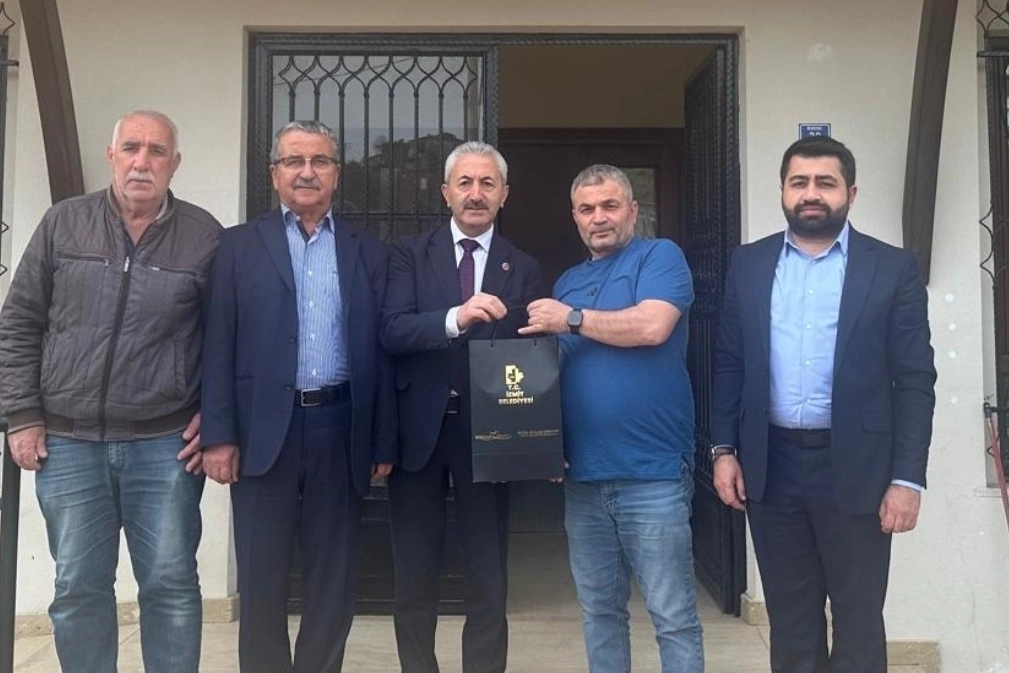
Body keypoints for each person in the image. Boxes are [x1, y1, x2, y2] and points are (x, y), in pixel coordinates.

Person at [0, 110, 220, 673]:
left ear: (175, 163)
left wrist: (216, 414)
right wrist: (22, 413)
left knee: (170, 584)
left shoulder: (204, 237)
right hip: (69, 443)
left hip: (165, 445)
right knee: (77, 587)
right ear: (111, 155)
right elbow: (20, 321)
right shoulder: (64, 223)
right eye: (131, 148)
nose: (142, 162)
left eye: (156, 151)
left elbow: (225, 338)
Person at [711, 136, 937, 673]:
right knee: (791, 623)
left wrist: (907, 479)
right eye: (799, 182)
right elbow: (729, 363)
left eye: (825, 183)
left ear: (850, 193)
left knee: (859, 621)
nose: (811, 193)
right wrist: (724, 450)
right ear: (783, 191)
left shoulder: (892, 268)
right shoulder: (748, 264)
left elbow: (915, 379)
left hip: (859, 469)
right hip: (772, 467)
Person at [200, 120, 396, 673]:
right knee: (261, 575)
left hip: (340, 427)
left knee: (334, 576)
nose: (307, 172)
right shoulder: (237, 246)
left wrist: (381, 439)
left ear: (337, 173)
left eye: (320, 161)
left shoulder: (367, 251)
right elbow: (217, 342)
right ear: (274, 173)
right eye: (294, 161)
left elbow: (381, 352)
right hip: (264, 432)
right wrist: (218, 435)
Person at [520, 164, 703, 673]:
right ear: (575, 218)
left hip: (653, 474)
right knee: (600, 613)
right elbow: (555, 372)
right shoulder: (568, 282)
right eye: (586, 209)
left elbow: (652, 326)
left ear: (632, 210)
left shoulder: (660, 256)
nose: (598, 217)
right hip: (584, 477)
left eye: (609, 206)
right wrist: (545, 443)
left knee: (672, 616)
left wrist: (571, 318)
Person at [379, 141, 540, 673]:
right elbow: (393, 330)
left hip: (491, 437)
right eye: (465, 183)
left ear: (504, 194)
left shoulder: (524, 266)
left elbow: (530, 358)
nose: (475, 194)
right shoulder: (408, 254)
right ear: (445, 192)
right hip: (418, 435)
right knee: (414, 578)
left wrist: (542, 442)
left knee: (488, 579)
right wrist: (457, 317)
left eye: (487, 183)